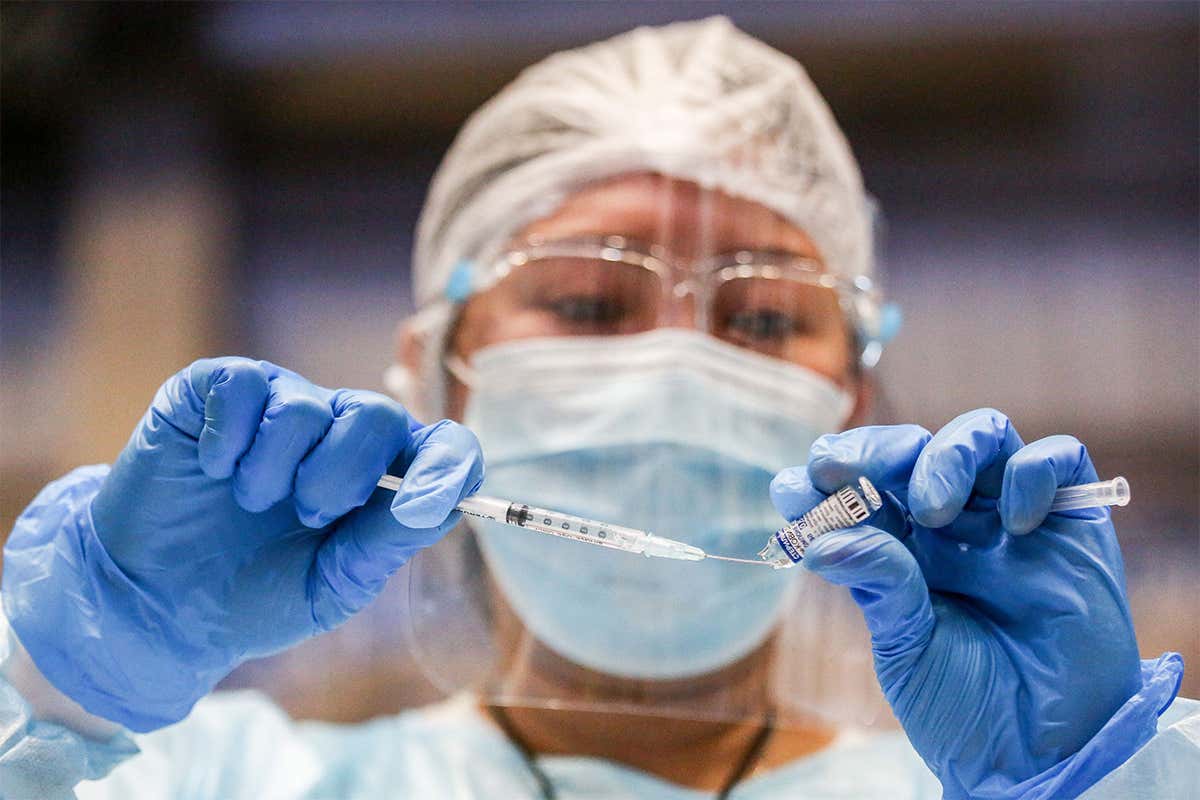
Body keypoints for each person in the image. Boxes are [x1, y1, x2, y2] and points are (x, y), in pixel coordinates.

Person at [1, 17, 1195, 800]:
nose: (676, 364)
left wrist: (1100, 775)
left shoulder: (1024, 780)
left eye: (766, 319)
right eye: (585, 301)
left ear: (859, 398)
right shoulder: (202, 781)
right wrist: (67, 675)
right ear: (437, 371)